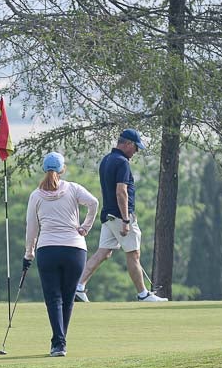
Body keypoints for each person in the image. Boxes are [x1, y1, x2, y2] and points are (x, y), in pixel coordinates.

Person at [74, 128, 167, 303]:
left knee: (104, 252)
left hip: (108, 215)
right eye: (135, 147)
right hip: (119, 216)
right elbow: (121, 192)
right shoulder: (122, 162)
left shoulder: (106, 160)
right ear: (128, 144)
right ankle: (143, 294)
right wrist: (126, 220)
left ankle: (78, 287)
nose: (136, 151)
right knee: (133, 254)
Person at [24, 152, 99, 356]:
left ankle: (58, 343)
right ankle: (59, 342)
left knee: (53, 298)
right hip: (75, 250)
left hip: (48, 250)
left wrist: (28, 254)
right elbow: (93, 203)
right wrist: (85, 227)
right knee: (67, 298)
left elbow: (32, 228)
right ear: (62, 169)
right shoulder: (73, 188)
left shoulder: (36, 195)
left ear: (44, 170)